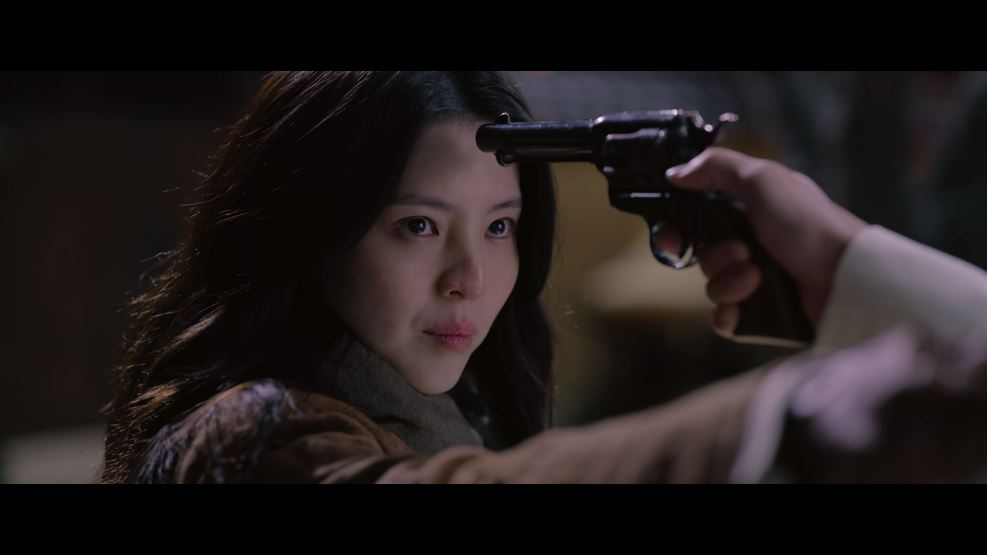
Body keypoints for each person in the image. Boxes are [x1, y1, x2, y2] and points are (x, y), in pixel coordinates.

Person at [99, 71, 987, 484]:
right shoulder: (242, 437)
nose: (469, 277)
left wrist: (844, 265)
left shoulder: (461, 408)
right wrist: (781, 421)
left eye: (499, 227)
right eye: (417, 226)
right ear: (311, 231)